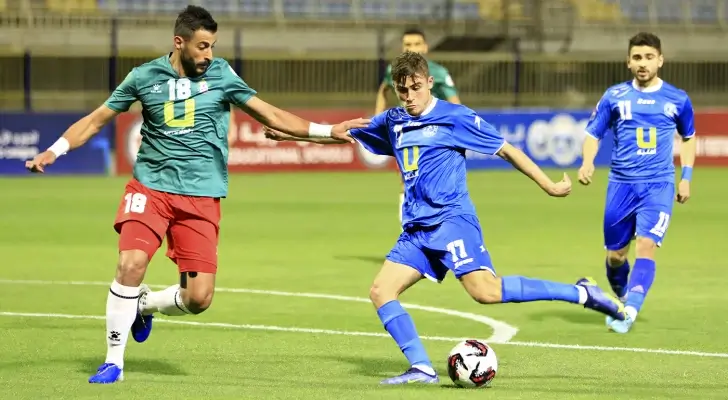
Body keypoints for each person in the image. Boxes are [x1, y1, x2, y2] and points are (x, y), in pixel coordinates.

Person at [24, 5, 367, 384]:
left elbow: (269, 114)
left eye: (213, 46)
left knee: (198, 299)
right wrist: (55, 150)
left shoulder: (222, 76)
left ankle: (143, 305)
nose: (208, 55)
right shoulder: (143, 76)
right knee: (131, 264)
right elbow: (96, 119)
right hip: (150, 188)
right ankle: (113, 361)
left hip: (201, 196)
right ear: (179, 42)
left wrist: (325, 131)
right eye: (202, 46)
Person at [264, 51, 626, 385]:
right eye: (402, 90)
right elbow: (345, 135)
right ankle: (422, 367)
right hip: (417, 230)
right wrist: (290, 136)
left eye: (415, 88)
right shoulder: (393, 120)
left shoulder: (455, 117)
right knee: (380, 291)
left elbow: (506, 148)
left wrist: (547, 184)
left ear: (429, 82)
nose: (409, 96)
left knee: (486, 292)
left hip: (452, 220)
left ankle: (580, 293)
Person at [578, 32, 696, 334]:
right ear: (628, 62)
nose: (643, 63)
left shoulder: (677, 99)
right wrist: (588, 162)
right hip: (621, 185)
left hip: (659, 185)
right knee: (616, 257)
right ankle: (621, 299)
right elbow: (593, 134)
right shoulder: (615, 96)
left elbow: (689, 137)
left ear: (660, 60)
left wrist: (686, 178)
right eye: (637, 58)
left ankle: (629, 311)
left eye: (649, 57)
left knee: (647, 245)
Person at [374, 27, 461, 227]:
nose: (412, 49)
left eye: (416, 44)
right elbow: (384, 90)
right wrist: (378, 119)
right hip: (406, 133)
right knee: (406, 180)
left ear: (425, 47)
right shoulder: (393, 71)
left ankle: (435, 230)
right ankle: (409, 230)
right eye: (408, 45)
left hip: (434, 135)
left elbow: (456, 105)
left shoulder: (438, 73)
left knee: (433, 184)